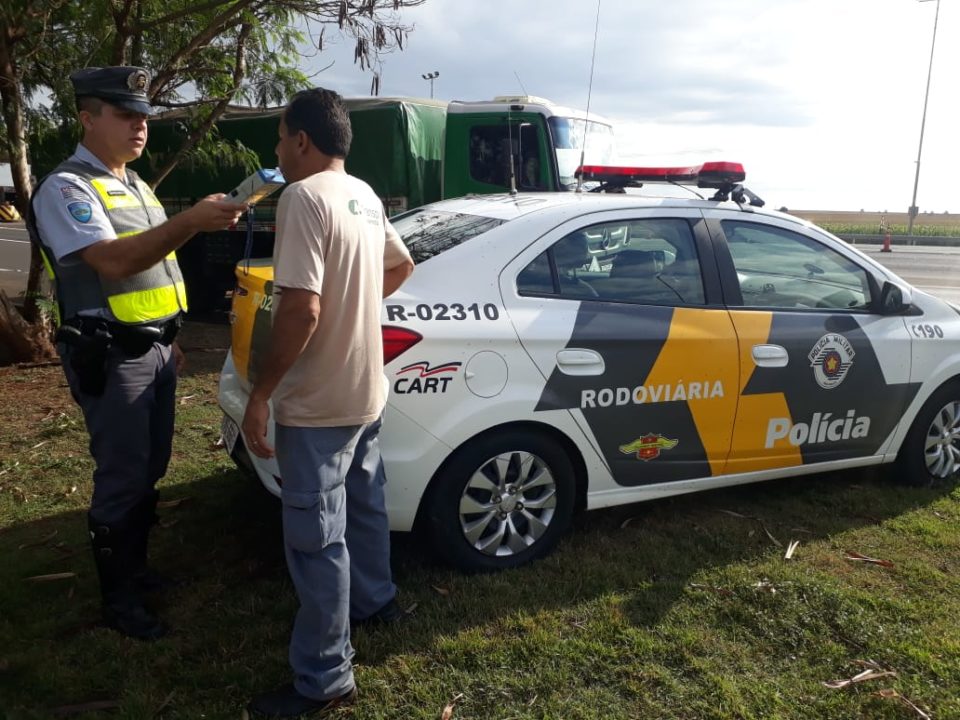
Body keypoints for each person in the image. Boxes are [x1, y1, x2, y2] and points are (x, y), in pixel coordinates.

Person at [26, 66, 245, 640]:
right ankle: (119, 601)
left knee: (149, 467)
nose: (140, 126)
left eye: (144, 116)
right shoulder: (67, 188)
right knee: (122, 476)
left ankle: (137, 571)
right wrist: (192, 222)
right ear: (87, 116)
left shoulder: (135, 183)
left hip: (152, 349)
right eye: (125, 114)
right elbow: (116, 262)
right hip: (112, 354)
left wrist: (168, 340)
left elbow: (154, 272)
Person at [240, 87, 414, 718]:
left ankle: (325, 676)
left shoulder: (304, 198)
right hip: (366, 392)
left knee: (318, 542)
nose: (278, 150)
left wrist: (261, 394)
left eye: (281, 138)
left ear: (303, 141)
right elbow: (402, 266)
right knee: (364, 508)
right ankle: (378, 600)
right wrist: (358, 312)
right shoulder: (363, 196)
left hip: (318, 403)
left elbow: (303, 306)